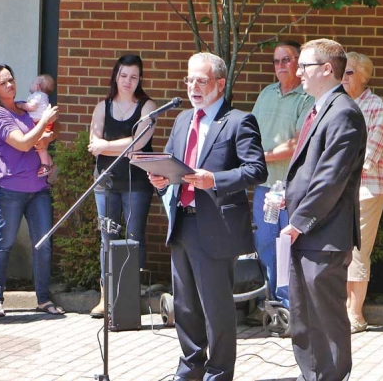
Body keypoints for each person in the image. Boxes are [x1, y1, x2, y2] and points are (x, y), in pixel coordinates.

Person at [149, 52, 267, 381]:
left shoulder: (238, 121)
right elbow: (173, 164)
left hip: (216, 226)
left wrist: (214, 179)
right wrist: (160, 177)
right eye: (189, 80)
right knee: (185, 307)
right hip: (182, 222)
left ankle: (219, 373)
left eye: (201, 81)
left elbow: (256, 170)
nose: (193, 87)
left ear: (219, 83)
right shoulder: (182, 120)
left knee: (216, 309)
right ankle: (190, 369)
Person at [276, 39, 366, 380]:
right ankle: (311, 375)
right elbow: (310, 170)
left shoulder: (343, 113)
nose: (297, 72)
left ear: (327, 69)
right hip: (308, 233)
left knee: (326, 320)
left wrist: (298, 220)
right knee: (303, 317)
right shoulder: (319, 109)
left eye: (304, 66)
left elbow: (331, 179)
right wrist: (286, 195)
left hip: (325, 234)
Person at [0, 64, 63, 317]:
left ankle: (43, 299)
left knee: (44, 244)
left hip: (38, 188)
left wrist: (48, 136)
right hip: (9, 188)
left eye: (11, 79)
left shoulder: (23, 106)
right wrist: (43, 127)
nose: (10, 84)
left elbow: (52, 130)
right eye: (3, 82)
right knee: (4, 243)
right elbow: (24, 142)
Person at [87, 55, 157, 319]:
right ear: (116, 76)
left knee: (133, 238)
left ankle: (129, 297)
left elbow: (139, 142)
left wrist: (106, 145)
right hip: (105, 181)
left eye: (134, 76)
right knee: (107, 238)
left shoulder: (148, 106)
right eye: (124, 75)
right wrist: (109, 146)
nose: (128, 81)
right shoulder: (102, 106)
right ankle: (106, 298)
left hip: (136, 182)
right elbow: (93, 144)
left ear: (140, 79)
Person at [249, 40, 314, 320]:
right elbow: (248, 132)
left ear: (298, 63)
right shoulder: (265, 94)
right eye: (276, 61)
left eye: (286, 60)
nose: (280, 66)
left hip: (291, 187)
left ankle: (290, 307)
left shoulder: (307, 98)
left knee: (287, 245)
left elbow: (298, 142)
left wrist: (259, 158)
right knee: (265, 242)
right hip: (265, 187)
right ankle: (271, 301)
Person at [342, 52, 383, 334]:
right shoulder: (339, 105)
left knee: (358, 251)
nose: (344, 77)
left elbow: (369, 156)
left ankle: (354, 314)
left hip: (366, 188)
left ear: (364, 76)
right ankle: (341, 309)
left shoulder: (376, 107)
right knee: (341, 249)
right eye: (342, 72)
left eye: (349, 73)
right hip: (339, 188)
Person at [16, 74, 57, 178]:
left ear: (38, 86)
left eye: (33, 82)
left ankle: (45, 166)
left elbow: (32, 107)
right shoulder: (44, 96)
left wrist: (20, 105)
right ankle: (51, 165)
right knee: (41, 145)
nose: (31, 84)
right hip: (42, 123)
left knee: (39, 145)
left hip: (40, 123)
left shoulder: (38, 95)